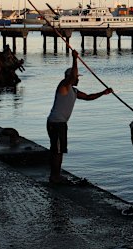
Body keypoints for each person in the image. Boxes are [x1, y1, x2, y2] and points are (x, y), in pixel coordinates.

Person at [47, 49, 112, 184]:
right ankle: (55, 177)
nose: (78, 79)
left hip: (60, 123)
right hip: (56, 123)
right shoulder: (63, 86)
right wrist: (75, 58)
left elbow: (88, 97)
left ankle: (56, 175)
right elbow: (71, 78)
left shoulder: (73, 91)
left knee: (59, 150)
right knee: (57, 151)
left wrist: (103, 93)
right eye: (77, 77)